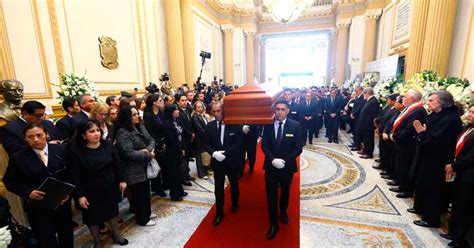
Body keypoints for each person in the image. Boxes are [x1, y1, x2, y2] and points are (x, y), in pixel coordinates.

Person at [3, 123, 73, 248]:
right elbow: (10, 181)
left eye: (39, 135)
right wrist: (28, 192)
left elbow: (72, 173)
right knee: (46, 239)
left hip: (61, 203)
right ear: (25, 139)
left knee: (66, 235)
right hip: (37, 207)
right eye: (30, 137)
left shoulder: (62, 150)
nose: (35, 139)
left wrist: (68, 193)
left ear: (46, 135)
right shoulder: (18, 157)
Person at [406, 90, 463, 229]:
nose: (428, 103)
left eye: (431, 100)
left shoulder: (450, 119)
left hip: (438, 160)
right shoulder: (438, 115)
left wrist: (421, 133)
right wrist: (423, 133)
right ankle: (421, 208)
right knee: (423, 184)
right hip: (429, 157)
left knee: (434, 189)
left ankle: (431, 219)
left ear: (441, 103)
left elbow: (436, 140)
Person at [69, 120, 128, 247]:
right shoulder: (76, 151)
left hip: (109, 186)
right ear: (84, 135)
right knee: (92, 218)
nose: (96, 134)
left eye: (97, 130)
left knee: (112, 212)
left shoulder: (107, 145)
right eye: (91, 131)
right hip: (89, 190)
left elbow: (117, 164)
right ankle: (97, 240)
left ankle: (116, 234)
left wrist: (122, 179)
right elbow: (75, 175)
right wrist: (79, 195)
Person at [261, 99, 303, 240]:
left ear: (287, 110)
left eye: (282, 109)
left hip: (287, 167)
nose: (279, 112)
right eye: (277, 109)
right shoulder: (268, 125)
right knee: (271, 195)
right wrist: (273, 159)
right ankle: (273, 224)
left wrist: (285, 160)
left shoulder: (295, 126)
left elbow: (298, 148)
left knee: (285, 191)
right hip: (271, 167)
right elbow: (264, 146)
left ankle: (283, 211)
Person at [115, 105, 156, 226]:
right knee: (139, 194)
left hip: (143, 165)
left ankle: (147, 213)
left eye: (137, 114)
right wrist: (147, 154)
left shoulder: (139, 126)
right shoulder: (123, 132)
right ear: (127, 117)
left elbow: (151, 140)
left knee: (145, 192)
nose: (137, 116)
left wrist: (147, 151)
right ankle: (142, 219)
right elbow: (128, 153)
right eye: (134, 114)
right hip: (132, 168)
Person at [205, 102, 243, 227]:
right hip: (217, 163)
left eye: (218, 111)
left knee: (234, 185)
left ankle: (235, 203)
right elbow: (206, 143)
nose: (216, 114)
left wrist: (225, 152)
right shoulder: (210, 126)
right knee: (218, 189)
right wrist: (214, 153)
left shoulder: (234, 124)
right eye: (214, 111)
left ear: (224, 110)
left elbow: (238, 143)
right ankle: (219, 213)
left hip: (231, 161)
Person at [444, 105, 474, 247]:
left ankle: (460, 239)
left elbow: (471, 157)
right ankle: (452, 232)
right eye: (470, 111)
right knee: (455, 203)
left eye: (473, 113)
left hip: (469, 176)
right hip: (459, 171)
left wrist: (454, 166)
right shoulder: (467, 128)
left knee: (464, 207)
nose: (470, 114)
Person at [389, 90, 427, 198]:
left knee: (406, 166)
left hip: (408, 144)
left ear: (413, 99)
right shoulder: (411, 108)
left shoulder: (418, 110)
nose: (403, 99)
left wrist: (396, 136)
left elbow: (409, 129)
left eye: (405, 97)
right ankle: (401, 185)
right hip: (402, 142)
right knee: (401, 165)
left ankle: (407, 189)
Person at [143, 94, 167, 197]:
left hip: (163, 141)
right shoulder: (148, 114)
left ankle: (164, 184)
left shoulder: (161, 111)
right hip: (154, 143)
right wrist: (158, 142)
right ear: (154, 102)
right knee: (156, 166)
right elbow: (149, 131)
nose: (162, 102)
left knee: (163, 165)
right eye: (160, 100)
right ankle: (157, 188)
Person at [162, 104, 188, 201]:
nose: (178, 111)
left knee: (178, 172)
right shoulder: (167, 124)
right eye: (176, 110)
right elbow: (171, 140)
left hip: (178, 149)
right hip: (172, 151)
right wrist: (180, 150)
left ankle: (180, 190)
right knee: (173, 173)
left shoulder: (176, 122)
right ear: (171, 113)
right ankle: (175, 194)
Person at [373, 93, 399, 170]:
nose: (387, 101)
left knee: (387, 152)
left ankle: (385, 166)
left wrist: (385, 131)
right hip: (382, 131)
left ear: (394, 101)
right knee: (382, 149)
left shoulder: (396, 111)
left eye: (389, 100)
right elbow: (382, 116)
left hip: (387, 133)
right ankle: (382, 161)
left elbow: (390, 122)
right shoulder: (388, 107)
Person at [176, 94, 196, 182]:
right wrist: (190, 133)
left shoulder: (187, 110)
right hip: (183, 138)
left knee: (187, 158)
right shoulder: (178, 112)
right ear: (178, 102)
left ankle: (187, 175)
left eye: (185, 100)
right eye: (182, 101)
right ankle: (184, 178)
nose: (185, 102)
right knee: (183, 159)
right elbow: (182, 126)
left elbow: (190, 123)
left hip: (189, 138)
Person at [356, 88, 380, 158]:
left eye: (364, 93)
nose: (363, 95)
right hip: (364, 124)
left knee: (368, 139)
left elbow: (374, 114)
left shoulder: (374, 101)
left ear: (367, 93)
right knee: (365, 139)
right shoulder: (369, 100)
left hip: (368, 125)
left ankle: (369, 153)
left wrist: (373, 124)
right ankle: (365, 150)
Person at [191, 101, 211, 178]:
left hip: (204, 138)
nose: (200, 108)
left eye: (201, 107)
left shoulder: (203, 115)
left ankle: (205, 170)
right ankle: (201, 173)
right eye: (198, 107)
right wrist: (207, 135)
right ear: (195, 108)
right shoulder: (195, 116)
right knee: (199, 156)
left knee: (204, 155)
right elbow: (199, 128)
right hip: (199, 139)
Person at [349, 86, 366, 151]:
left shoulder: (362, 97)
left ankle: (357, 145)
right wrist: (352, 113)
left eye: (356, 91)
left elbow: (360, 107)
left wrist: (354, 114)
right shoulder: (358, 97)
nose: (355, 92)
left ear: (360, 90)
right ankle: (355, 143)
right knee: (355, 131)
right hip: (355, 117)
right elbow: (355, 106)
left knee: (357, 132)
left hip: (358, 117)